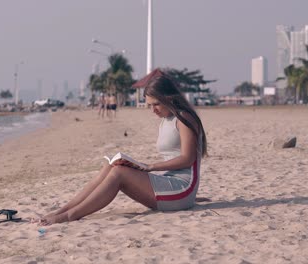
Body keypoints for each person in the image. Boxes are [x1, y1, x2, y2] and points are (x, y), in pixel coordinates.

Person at [37, 68, 207, 225]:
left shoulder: (185, 118)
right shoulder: (165, 119)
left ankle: (69, 216)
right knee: (111, 166)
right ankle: (63, 210)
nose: (152, 110)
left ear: (169, 98)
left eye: (156, 104)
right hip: (169, 182)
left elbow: (188, 158)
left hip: (183, 189)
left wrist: (149, 167)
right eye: (149, 105)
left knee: (119, 173)